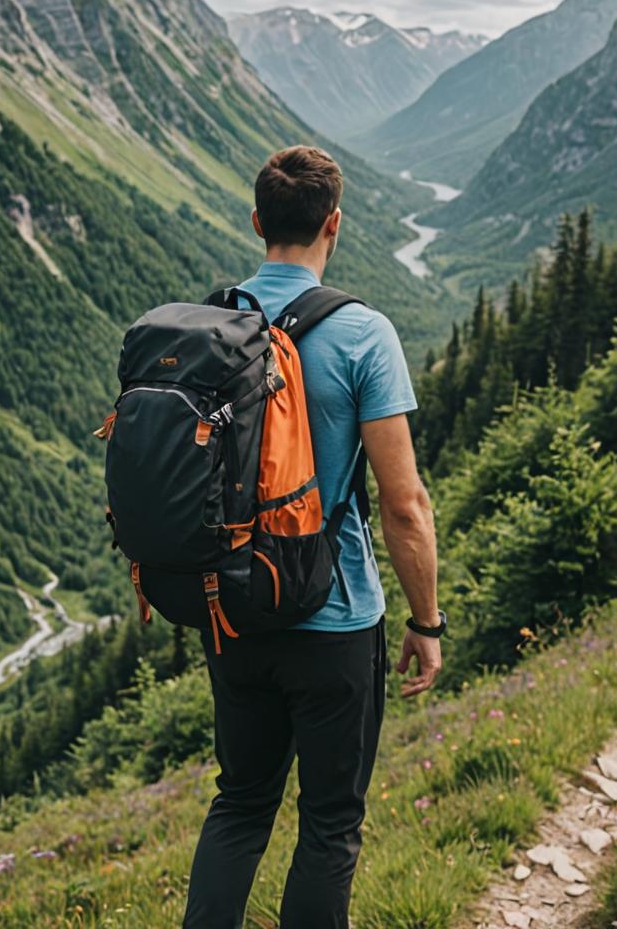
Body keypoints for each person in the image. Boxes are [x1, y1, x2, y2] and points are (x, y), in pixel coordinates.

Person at [182, 145, 443, 929]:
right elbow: (404, 505)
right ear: (335, 224)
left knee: (240, 804)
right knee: (329, 826)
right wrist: (426, 620)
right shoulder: (363, 334)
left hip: (232, 609)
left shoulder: (210, 323)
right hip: (332, 618)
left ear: (258, 222)